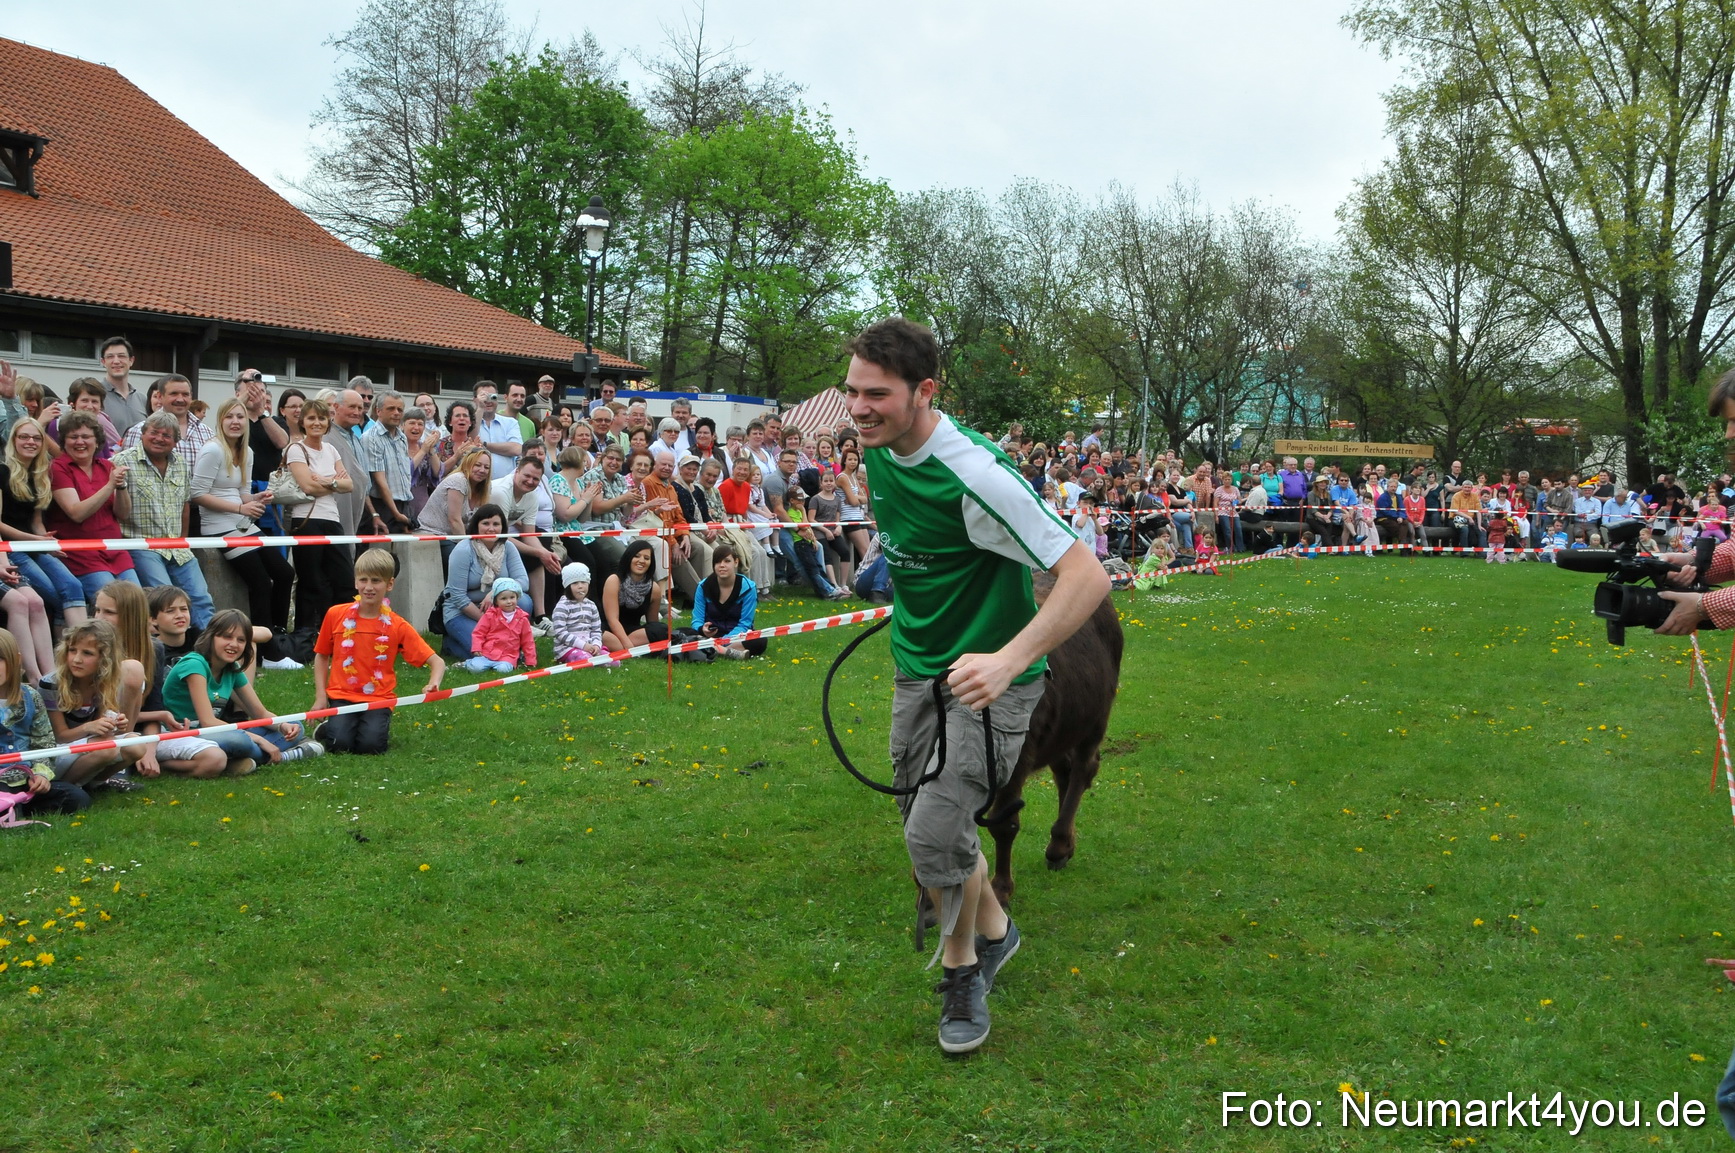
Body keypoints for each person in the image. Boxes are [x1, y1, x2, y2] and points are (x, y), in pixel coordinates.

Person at [843, 318, 1109, 1054]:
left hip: (994, 685)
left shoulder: (978, 475)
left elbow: (1087, 573)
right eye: (852, 392)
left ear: (925, 392)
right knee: (925, 829)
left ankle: (962, 972)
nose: (859, 408)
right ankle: (994, 928)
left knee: (934, 835)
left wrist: (1004, 657)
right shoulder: (880, 444)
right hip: (916, 669)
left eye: (877, 395)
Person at [191, 399, 298, 667]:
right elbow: (197, 495)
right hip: (218, 528)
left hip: (241, 524)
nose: (235, 422)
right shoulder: (212, 451)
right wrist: (240, 507)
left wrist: (258, 497)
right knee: (261, 583)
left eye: (239, 417)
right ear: (221, 420)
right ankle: (264, 654)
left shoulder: (246, 452)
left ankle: (276, 637)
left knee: (285, 573)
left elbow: (241, 493)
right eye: (229, 417)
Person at [311, 548, 445, 756]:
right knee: (339, 745)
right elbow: (321, 655)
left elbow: (437, 661)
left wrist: (433, 683)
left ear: (389, 584)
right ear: (355, 582)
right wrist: (321, 697)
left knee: (371, 747)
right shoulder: (336, 614)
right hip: (342, 695)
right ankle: (332, 727)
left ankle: (359, 726)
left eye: (376, 581)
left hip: (379, 698)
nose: (369, 587)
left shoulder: (396, 625)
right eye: (363, 580)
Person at [164, 610, 321, 771]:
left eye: (241, 640)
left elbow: (261, 714)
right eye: (226, 637)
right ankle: (283, 756)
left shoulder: (232, 668)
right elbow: (208, 722)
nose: (234, 644)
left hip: (216, 732)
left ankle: (239, 761)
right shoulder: (194, 664)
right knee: (240, 740)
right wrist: (259, 740)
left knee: (295, 726)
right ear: (210, 637)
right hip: (184, 735)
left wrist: (283, 726)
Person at [39, 620, 150, 789]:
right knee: (106, 748)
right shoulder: (51, 684)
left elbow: (103, 731)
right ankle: (62, 788)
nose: (76, 659)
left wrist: (114, 724)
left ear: (104, 659)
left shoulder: (106, 680)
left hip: (86, 745)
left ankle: (96, 783)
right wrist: (89, 727)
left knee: (136, 745)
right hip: (57, 751)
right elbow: (59, 736)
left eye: (87, 653)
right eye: (72, 650)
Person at [0, 417, 87, 627]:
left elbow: (37, 522)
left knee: (73, 586)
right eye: (24, 437)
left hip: (35, 546)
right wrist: (37, 540)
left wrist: (47, 544)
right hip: (12, 549)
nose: (30, 442)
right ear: (14, 441)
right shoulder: (2, 471)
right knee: (57, 596)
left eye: (36, 438)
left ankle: (77, 644)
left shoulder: (41, 475)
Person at [282, 398, 357, 635]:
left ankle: (341, 632)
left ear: (328, 422)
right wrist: (335, 483)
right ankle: (306, 634)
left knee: (344, 579)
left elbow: (350, 485)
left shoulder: (331, 449)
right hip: (306, 520)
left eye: (322, 418)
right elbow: (307, 487)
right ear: (303, 422)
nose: (317, 423)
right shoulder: (295, 449)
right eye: (311, 418)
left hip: (332, 520)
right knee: (312, 582)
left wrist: (326, 480)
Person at [48, 411, 139, 602]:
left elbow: (122, 513)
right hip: (82, 555)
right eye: (73, 437)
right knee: (112, 602)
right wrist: (110, 486)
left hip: (115, 551)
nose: (80, 442)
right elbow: (76, 513)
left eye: (86, 437)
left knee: (137, 601)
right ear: (64, 441)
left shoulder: (106, 466)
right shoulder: (58, 467)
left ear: (97, 441)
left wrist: (121, 487)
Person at [0, 629, 90, 819]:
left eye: (0, 659)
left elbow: (44, 743)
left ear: (15, 660)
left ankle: (17, 806)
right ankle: (14, 808)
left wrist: (40, 775)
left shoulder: (31, 697)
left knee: (76, 798)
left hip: (26, 780)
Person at [441, 504, 531, 659]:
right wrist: (488, 623)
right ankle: (450, 644)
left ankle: (510, 639)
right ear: (476, 526)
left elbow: (523, 581)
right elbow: (457, 596)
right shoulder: (463, 550)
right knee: (485, 653)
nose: (491, 529)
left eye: (496, 524)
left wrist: (495, 591)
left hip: (497, 606)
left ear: (502, 528)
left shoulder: (508, 547)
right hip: (462, 611)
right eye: (485, 523)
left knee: (525, 602)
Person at [420, 445, 493, 567]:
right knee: (464, 562)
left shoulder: (486, 486)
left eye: (486, 467)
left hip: (457, 537)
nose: (482, 470)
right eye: (477, 465)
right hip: (435, 534)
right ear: (468, 463)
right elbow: (454, 520)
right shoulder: (458, 481)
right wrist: (469, 550)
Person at [692, 543, 767, 659]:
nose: (722, 565)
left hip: (737, 636)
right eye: (717, 562)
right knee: (681, 633)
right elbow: (697, 620)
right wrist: (702, 629)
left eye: (727, 561)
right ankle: (728, 652)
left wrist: (723, 641)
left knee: (760, 639)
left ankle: (717, 649)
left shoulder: (748, 588)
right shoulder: (703, 587)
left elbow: (745, 623)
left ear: (736, 562)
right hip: (708, 637)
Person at [360, 391, 415, 535]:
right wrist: (396, 514)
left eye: (400, 409)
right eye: (391, 409)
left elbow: (404, 477)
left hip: (403, 505)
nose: (396, 413)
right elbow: (380, 481)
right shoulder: (370, 438)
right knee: (377, 555)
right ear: (378, 411)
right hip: (382, 507)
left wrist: (405, 512)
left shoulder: (402, 437)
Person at [600, 539, 668, 653]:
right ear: (629, 558)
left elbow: (652, 622)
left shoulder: (654, 588)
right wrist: (627, 644)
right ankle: (623, 648)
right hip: (610, 631)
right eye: (637, 556)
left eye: (646, 558)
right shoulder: (614, 580)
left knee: (661, 629)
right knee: (596, 632)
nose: (641, 561)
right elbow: (612, 620)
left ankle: (620, 649)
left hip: (635, 633)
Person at [464, 576, 537, 674]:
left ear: (517, 597)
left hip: (508, 655)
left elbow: (528, 641)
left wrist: (530, 661)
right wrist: (477, 647)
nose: (509, 601)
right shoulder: (490, 615)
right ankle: (467, 663)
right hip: (488, 653)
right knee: (476, 668)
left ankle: (499, 666)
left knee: (503, 670)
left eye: (512, 597)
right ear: (496, 601)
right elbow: (479, 632)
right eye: (503, 598)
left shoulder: (522, 618)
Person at [552, 561, 613, 667]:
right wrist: (582, 645)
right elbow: (560, 632)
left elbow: (596, 629)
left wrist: (596, 645)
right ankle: (575, 659)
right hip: (567, 648)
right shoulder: (563, 606)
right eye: (575, 583)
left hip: (590, 645)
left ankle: (596, 656)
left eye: (583, 582)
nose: (580, 586)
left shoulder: (591, 605)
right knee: (585, 659)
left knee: (613, 661)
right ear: (567, 586)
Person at [474, 382, 522, 479]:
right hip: (477, 486)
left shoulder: (511, 423)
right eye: (484, 397)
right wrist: (480, 408)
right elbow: (470, 441)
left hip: (505, 486)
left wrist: (484, 445)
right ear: (475, 400)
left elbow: (517, 449)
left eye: (493, 397)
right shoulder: (469, 423)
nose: (488, 401)